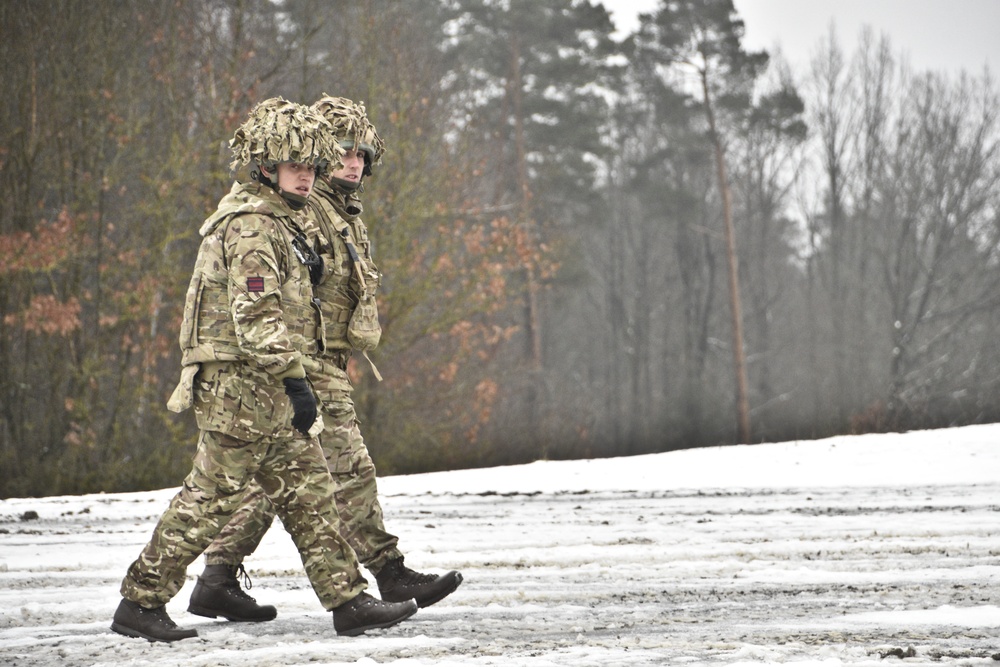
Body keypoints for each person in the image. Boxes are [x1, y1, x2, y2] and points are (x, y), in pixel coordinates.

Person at [111, 97, 418, 643]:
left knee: (309, 494)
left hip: (267, 390)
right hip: (240, 391)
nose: (306, 177)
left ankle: (349, 601)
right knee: (209, 500)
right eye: (294, 166)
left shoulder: (284, 222)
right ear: (266, 166)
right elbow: (257, 320)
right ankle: (140, 599)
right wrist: (298, 381)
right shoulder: (253, 226)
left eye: (312, 167)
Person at [186, 96, 462, 625]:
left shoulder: (340, 213)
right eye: (342, 151)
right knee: (347, 467)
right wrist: (290, 368)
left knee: (280, 479)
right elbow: (280, 294)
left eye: (362, 153)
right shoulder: (303, 212)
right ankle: (387, 570)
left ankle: (216, 578)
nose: (353, 162)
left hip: (324, 359)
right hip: (300, 362)